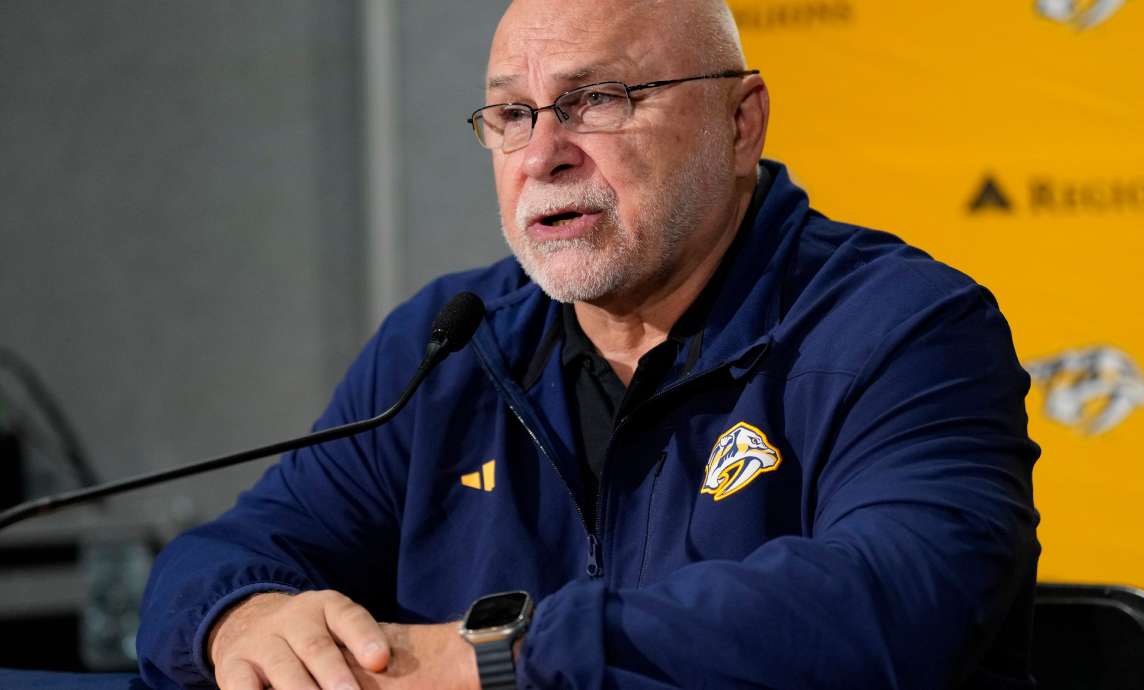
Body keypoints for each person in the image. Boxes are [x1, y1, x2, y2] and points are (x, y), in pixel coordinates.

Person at [137, 0, 1041, 688]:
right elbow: (223, 554)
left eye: (596, 100)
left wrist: (497, 659)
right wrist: (239, 617)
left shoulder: (900, 326)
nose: (543, 153)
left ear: (741, 123)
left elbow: (902, 599)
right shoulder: (450, 345)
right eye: (511, 115)